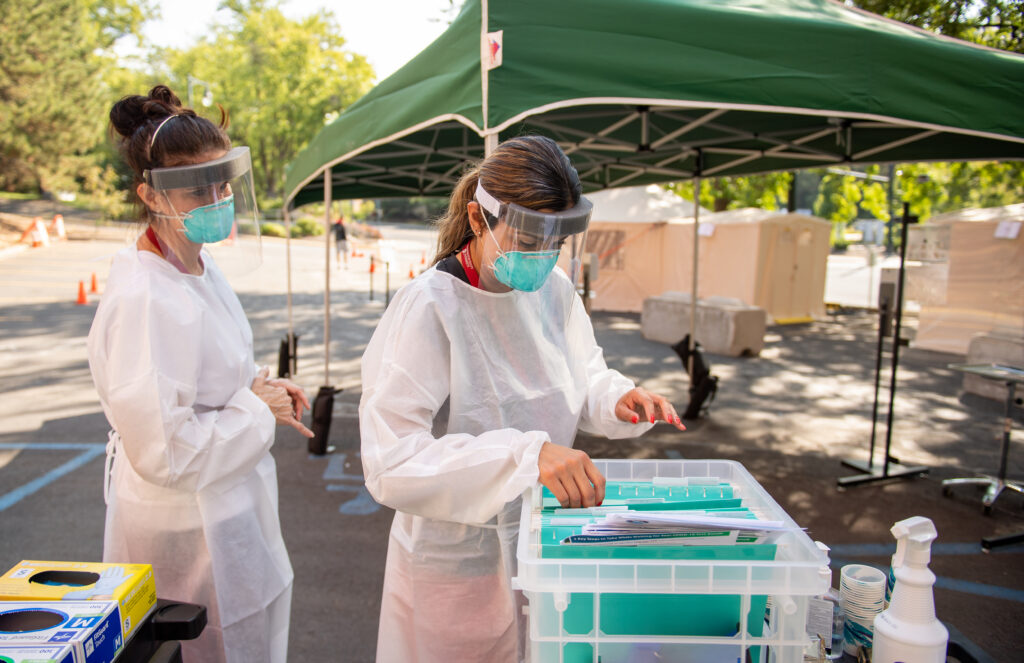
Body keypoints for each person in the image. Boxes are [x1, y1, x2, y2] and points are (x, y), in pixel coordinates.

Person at [359, 135, 686, 662]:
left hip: (544, 545)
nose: (541, 255)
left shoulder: (553, 290)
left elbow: (582, 375)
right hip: (455, 562)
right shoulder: (430, 307)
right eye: (528, 236)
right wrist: (524, 456)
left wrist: (618, 397)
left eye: (554, 238)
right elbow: (391, 461)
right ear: (477, 217)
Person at [87, 85, 313, 663]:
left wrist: (261, 386)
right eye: (194, 186)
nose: (215, 197)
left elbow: (214, 370)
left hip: (228, 513)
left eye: (221, 181)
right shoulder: (147, 296)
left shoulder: (195, 265)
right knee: (206, 648)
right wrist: (257, 409)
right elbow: (167, 453)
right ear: (150, 194)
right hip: (184, 533)